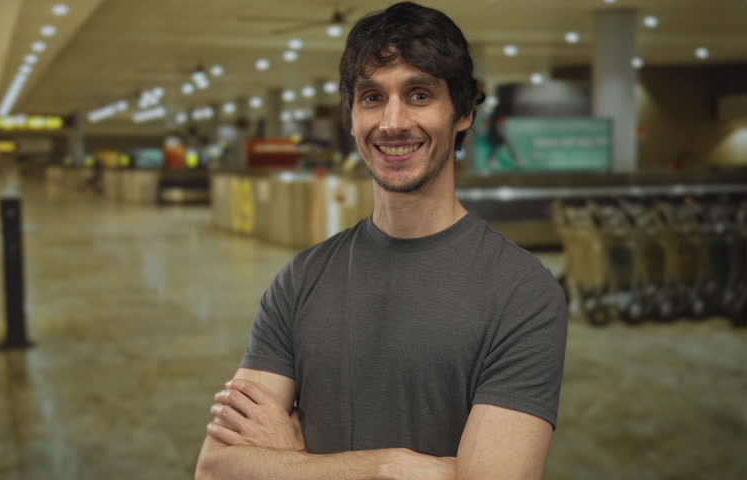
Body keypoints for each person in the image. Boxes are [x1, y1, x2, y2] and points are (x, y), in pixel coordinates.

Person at [195, 2, 567, 479]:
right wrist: (391, 466)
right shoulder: (301, 279)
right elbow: (216, 469)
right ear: (351, 117)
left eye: (418, 95)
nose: (392, 122)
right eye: (372, 97)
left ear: (463, 113)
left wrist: (293, 465)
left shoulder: (522, 293)